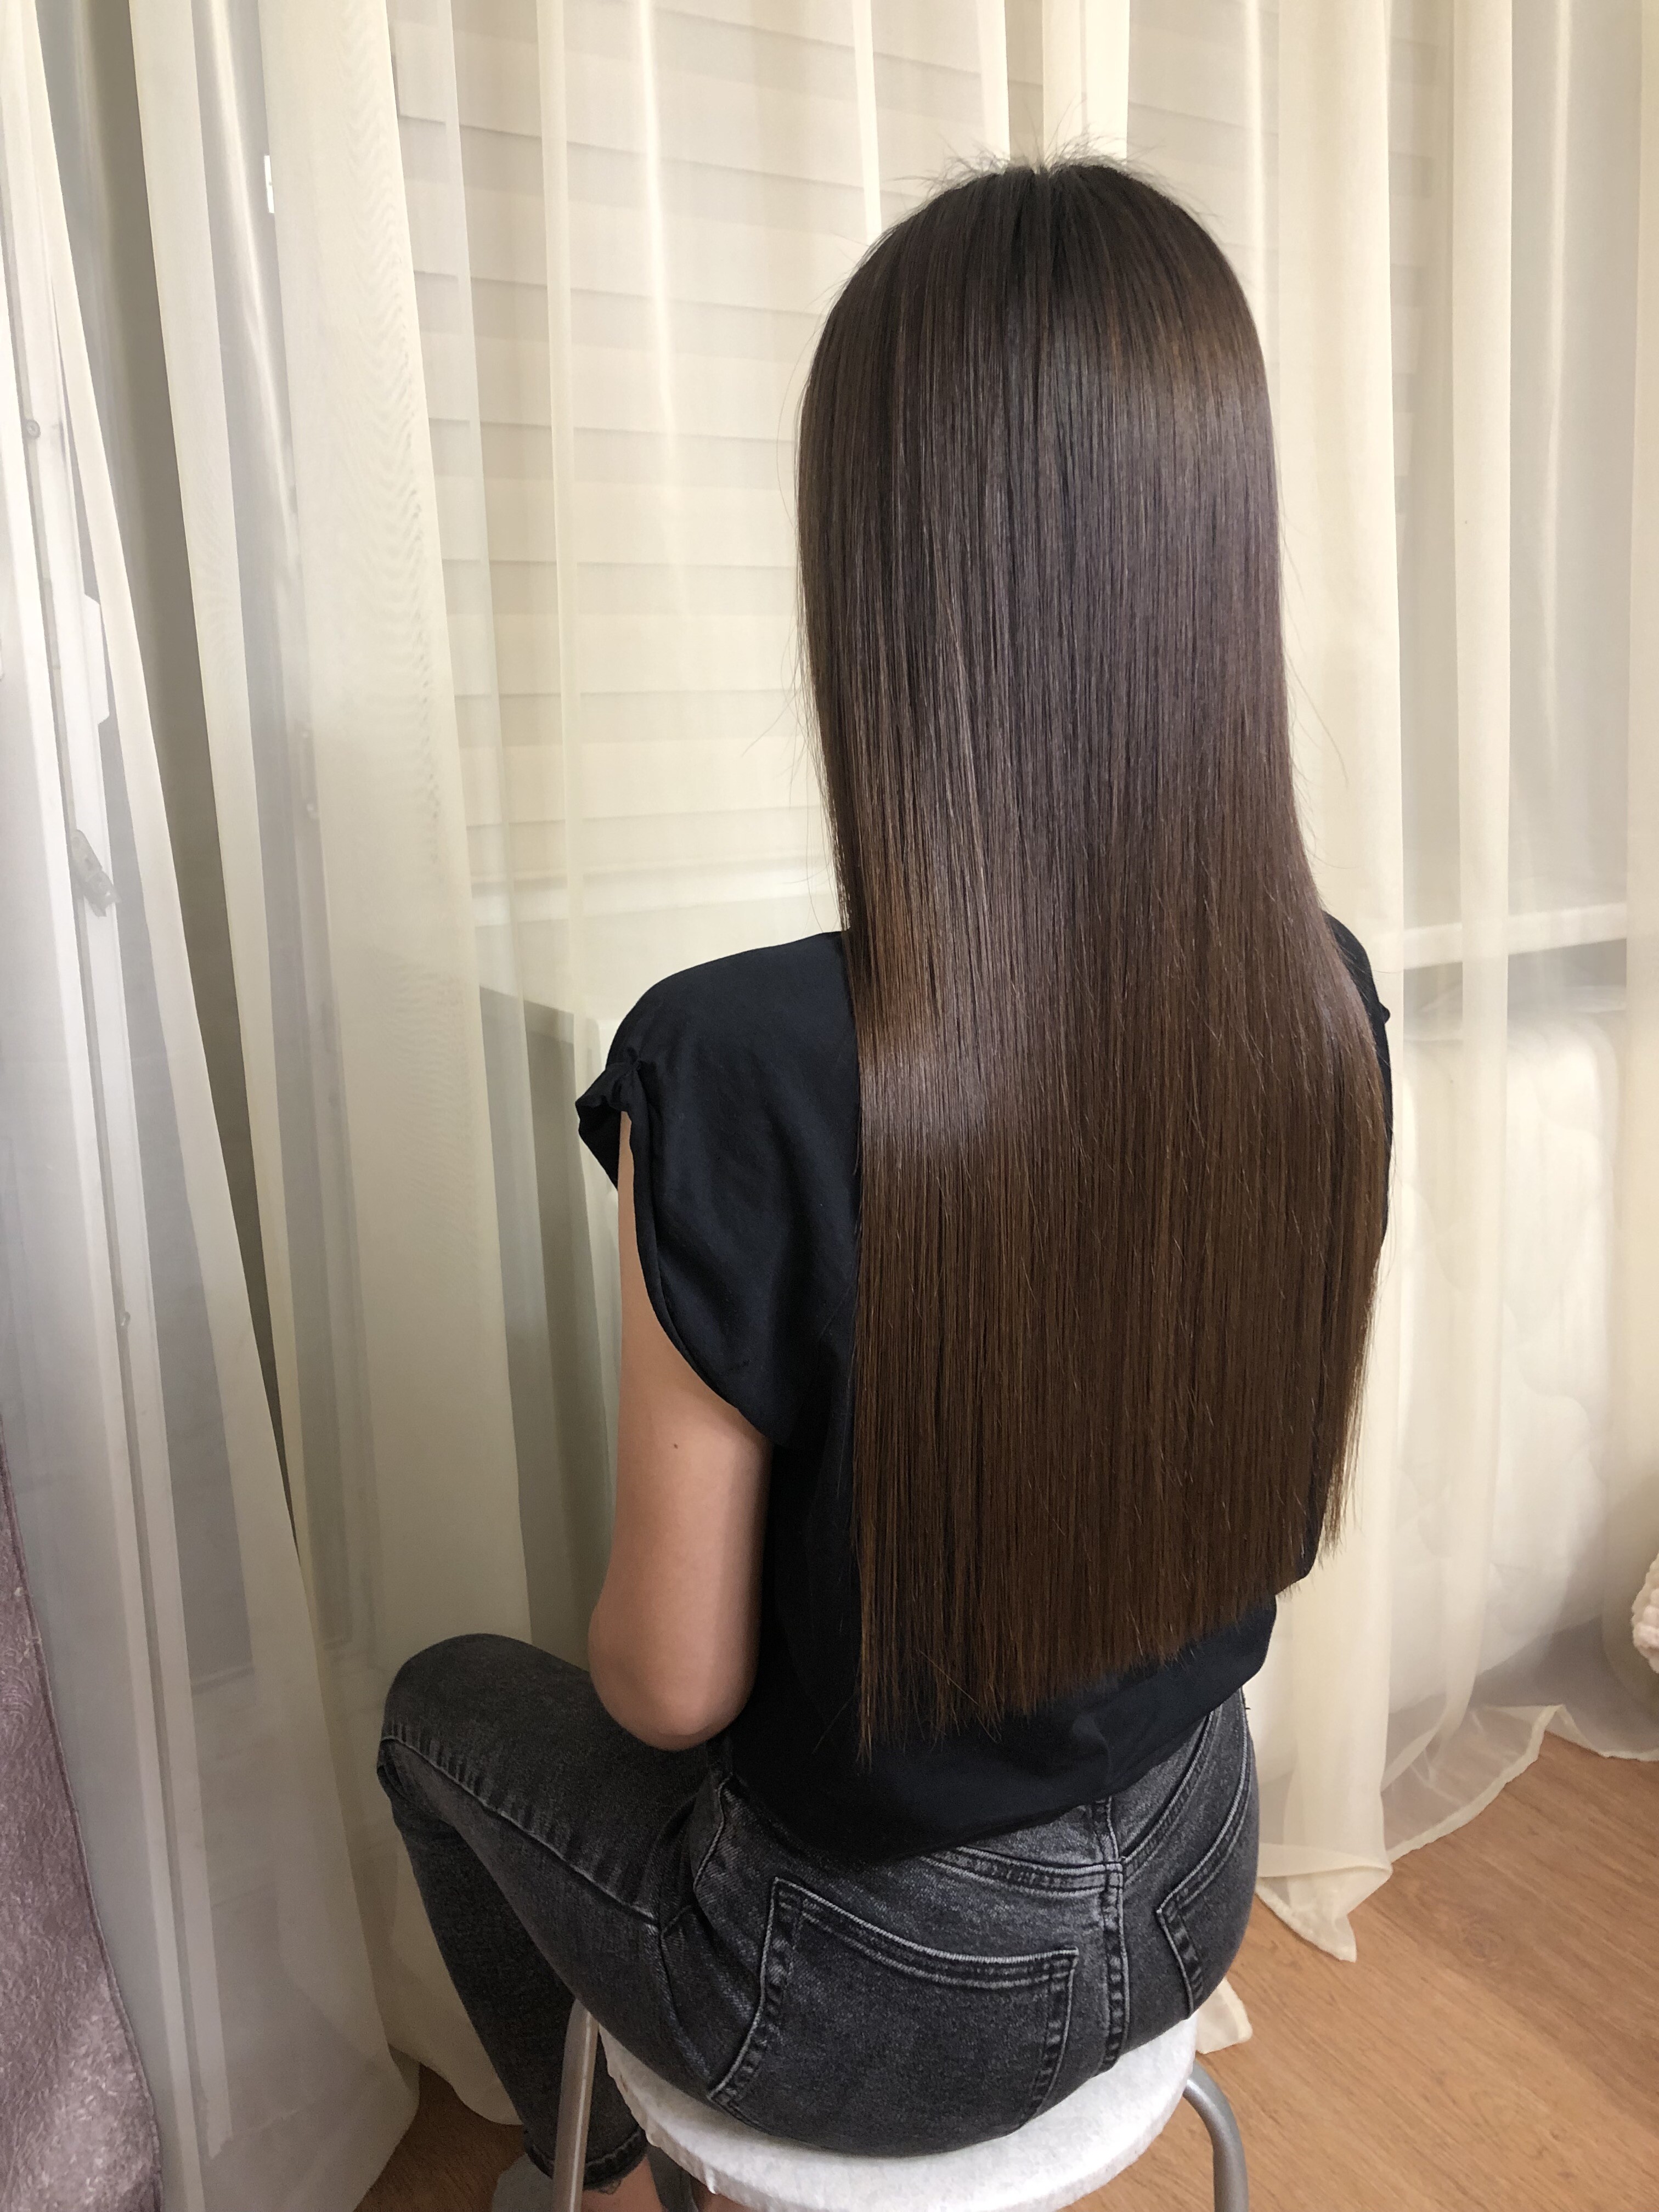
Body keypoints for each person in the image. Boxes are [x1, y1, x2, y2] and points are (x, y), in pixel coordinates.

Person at [377, 156, 1392, 2211]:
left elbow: (667, 1688)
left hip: (864, 2001)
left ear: (880, 582)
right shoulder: (1323, 997)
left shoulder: (738, 1066)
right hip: (1196, 1870)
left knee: (436, 1709)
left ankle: (586, 2170)